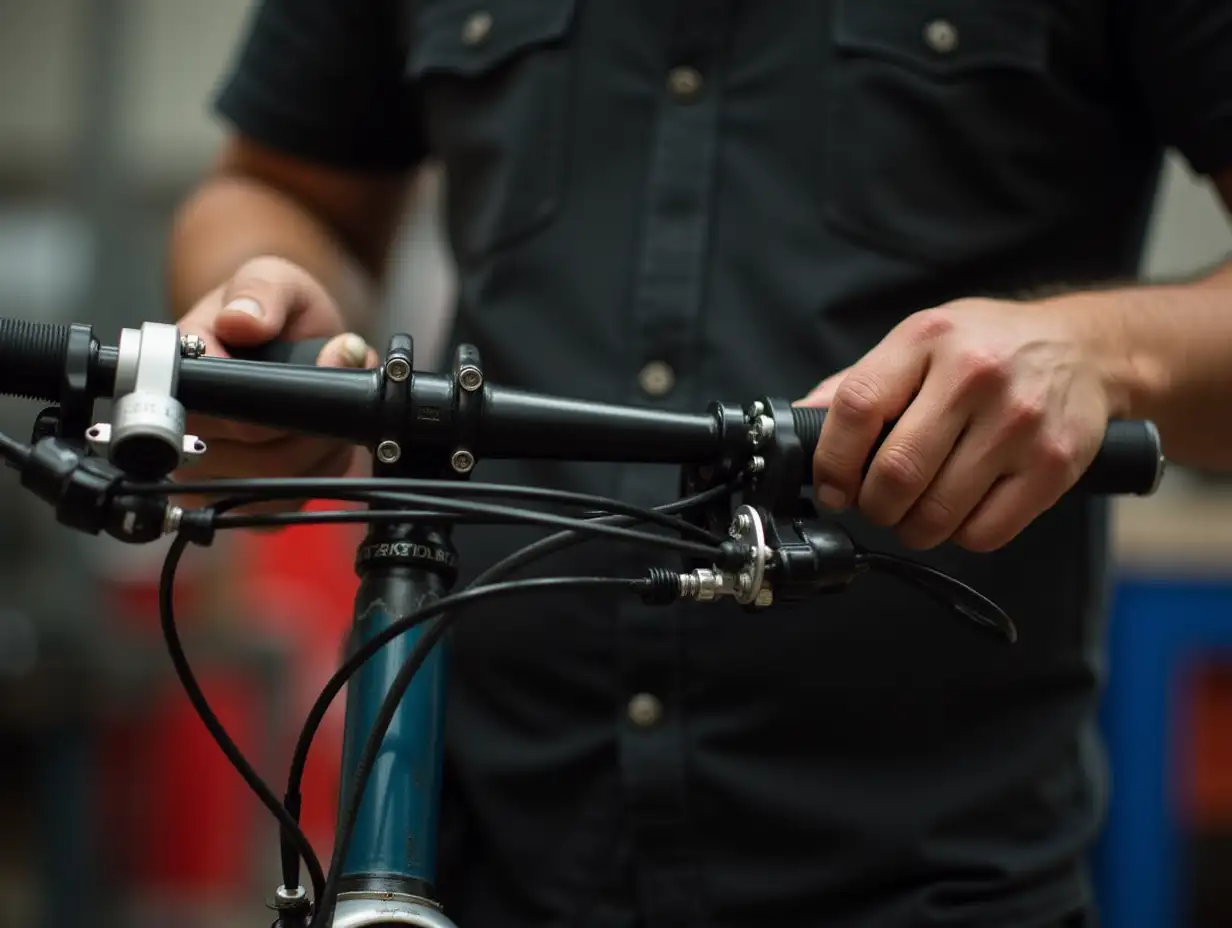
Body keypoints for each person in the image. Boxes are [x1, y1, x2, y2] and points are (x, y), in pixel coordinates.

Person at [170, 2, 1232, 925]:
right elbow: (276, 187)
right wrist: (265, 325)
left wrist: (1100, 353)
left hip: (927, 877)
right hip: (482, 853)